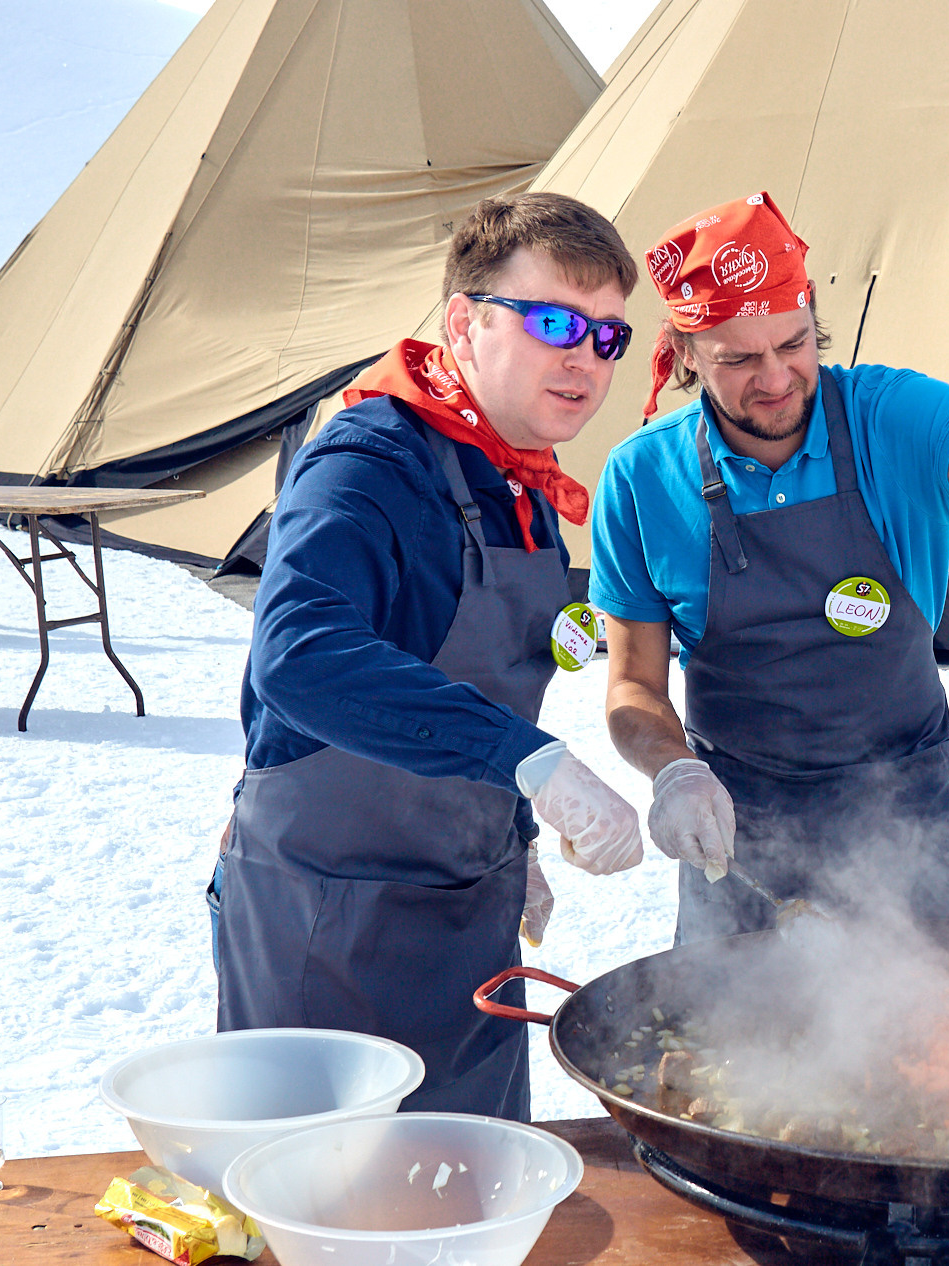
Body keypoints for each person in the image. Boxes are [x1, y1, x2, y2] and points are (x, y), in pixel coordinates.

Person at [588, 192, 949, 942]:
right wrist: (673, 771)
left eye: (794, 343)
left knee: (933, 1012)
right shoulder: (641, 478)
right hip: (735, 827)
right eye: (738, 359)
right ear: (686, 354)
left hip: (908, 813)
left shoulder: (890, 414)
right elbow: (633, 683)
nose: (775, 377)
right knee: (732, 1020)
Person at [213, 193, 648, 1120]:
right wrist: (533, 766)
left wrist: (514, 832)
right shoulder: (369, 465)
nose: (584, 357)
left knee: (480, 1173)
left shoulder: (520, 483)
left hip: (470, 914)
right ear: (464, 323)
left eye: (607, 335)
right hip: (332, 924)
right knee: (334, 1186)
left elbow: (485, 687)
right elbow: (300, 655)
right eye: (554, 322)